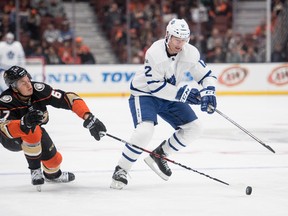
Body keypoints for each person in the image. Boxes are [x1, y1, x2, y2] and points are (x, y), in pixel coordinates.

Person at [110, 18, 217, 190]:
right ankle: (121, 169)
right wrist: (184, 94)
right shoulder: (155, 53)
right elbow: (155, 87)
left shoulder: (190, 53)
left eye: (184, 39)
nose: (180, 43)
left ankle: (159, 155)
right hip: (144, 94)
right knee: (145, 131)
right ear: (167, 35)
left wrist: (209, 91)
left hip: (169, 95)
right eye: (176, 39)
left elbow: (206, 75)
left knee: (195, 128)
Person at [0, 65, 107, 188]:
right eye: (23, 83)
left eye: (28, 79)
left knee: (54, 161)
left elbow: (69, 98)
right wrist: (24, 123)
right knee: (32, 129)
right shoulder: (5, 101)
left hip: (35, 132)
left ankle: (53, 176)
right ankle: (35, 170)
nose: (29, 85)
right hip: (11, 138)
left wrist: (88, 117)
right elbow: (4, 129)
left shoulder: (39, 89)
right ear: (14, 87)